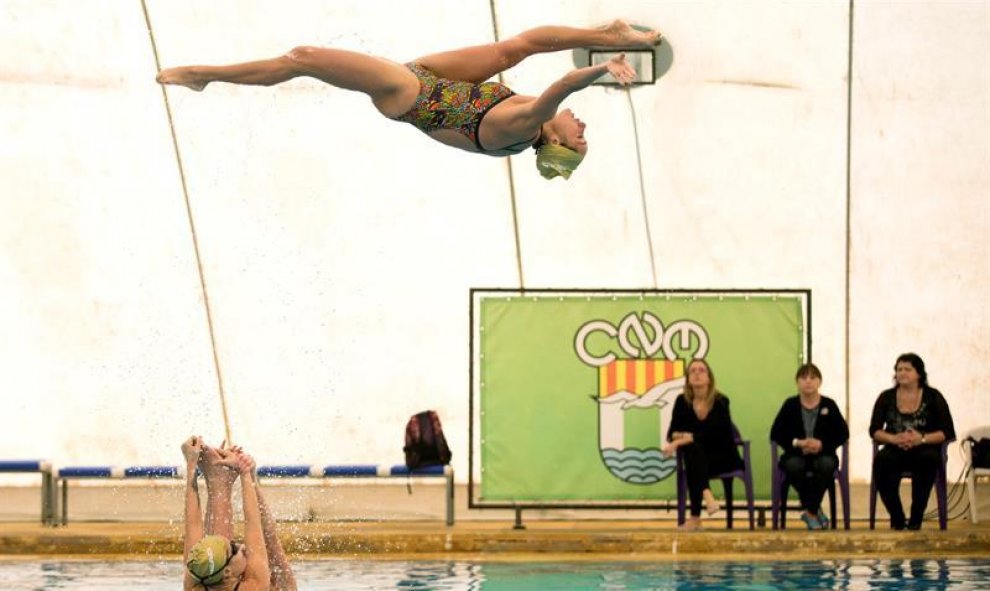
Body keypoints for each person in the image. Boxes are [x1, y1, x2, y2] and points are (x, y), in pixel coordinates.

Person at [156, 20, 661, 180]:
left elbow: (559, 89)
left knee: (303, 56)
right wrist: (605, 42)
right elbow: (533, 68)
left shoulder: (523, 127)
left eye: (580, 139)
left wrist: (599, 68)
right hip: (438, 82)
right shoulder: (526, 128)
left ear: (555, 141)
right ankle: (609, 28)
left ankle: (204, 75)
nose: (584, 129)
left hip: (412, 94)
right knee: (515, 48)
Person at [182, 437, 298, 590]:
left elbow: (193, 525)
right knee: (275, 558)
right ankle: (219, 480)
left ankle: (218, 480)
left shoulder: (197, 571)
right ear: (228, 573)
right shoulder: (255, 586)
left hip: (219, 577)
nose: (240, 545)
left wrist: (191, 464)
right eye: (234, 548)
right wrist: (245, 471)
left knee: (217, 555)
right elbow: (254, 524)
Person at [869, 353, 956, 530]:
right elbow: (874, 430)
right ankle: (897, 516)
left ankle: (916, 517)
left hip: (924, 447)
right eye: (899, 369)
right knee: (882, 461)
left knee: (928, 460)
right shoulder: (886, 397)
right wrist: (893, 438)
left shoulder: (933, 397)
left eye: (907, 369)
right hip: (895, 446)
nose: (902, 373)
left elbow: (947, 432)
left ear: (919, 373)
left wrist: (921, 439)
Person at [662, 358, 743, 530]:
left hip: (722, 457)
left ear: (709, 378)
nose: (697, 373)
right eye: (693, 371)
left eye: (701, 370)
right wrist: (687, 438)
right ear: (688, 379)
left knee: (692, 452)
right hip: (698, 459)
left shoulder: (721, 401)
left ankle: (695, 518)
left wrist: (679, 442)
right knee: (693, 451)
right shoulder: (681, 402)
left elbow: (716, 435)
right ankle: (707, 494)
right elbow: (671, 433)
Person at [770, 363, 849, 530]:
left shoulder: (829, 404)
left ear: (819, 382)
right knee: (793, 465)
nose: (808, 381)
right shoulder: (790, 405)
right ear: (797, 382)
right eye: (803, 378)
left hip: (823, 454)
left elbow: (842, 433)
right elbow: (776, 433)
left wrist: (821, 444)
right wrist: (798, 443)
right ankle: (814, 509)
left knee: (826, 464)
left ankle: (810, 512)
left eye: (813, 377)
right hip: (796, 454)